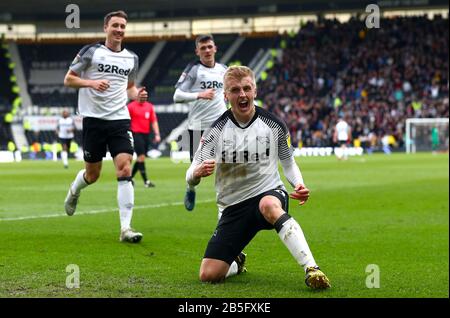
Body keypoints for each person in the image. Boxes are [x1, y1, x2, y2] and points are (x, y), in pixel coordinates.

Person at [186, 66, 330, 289]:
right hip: (232, 206)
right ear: (226, 96)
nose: (242, 94)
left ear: (255, 90)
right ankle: (237, 260)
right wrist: (196, 174)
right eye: (235, 90)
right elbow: (190, 175)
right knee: (209, 275)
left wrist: (299, 184)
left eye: (246, 88)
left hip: (268, 192)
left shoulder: (274, 125)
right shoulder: (215, 131)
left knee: (269, 205)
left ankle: (312, 268)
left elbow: (288, 162)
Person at [63, 10, 147, 243]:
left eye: (122, 26)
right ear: (105, 28)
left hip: (120, 120)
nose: (119, 30)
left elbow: (129, 88)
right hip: (93, 121)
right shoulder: (91, 52)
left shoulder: (132, 58)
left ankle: (126, 228)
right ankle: (75, 190)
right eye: (115, 26)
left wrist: (137, 95)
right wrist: (91, 82)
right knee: (93, 174)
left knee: (125, 168)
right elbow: (69, 79)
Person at [173, 34, 227, 211]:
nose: (207, 50)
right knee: (195, 174)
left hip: (221, 126)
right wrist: (199, 94)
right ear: (197, 51)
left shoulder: (224, 70)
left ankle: (225, 210)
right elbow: (177, 96)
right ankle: (190, 188)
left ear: (215, 48)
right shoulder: (194, 70)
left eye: (210, 47)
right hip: (197, 128)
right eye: (203, 48)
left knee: (225, 169)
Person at [127, 98, 160, 187]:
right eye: (141, 94)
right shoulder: (130, 106)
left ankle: (130, 178)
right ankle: (146, 181)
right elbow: (126, 119)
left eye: (145, 95)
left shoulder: (149, 106)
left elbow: (154, 121)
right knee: (141, 157)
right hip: (136, 134)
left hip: (146, 134)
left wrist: (157, 134)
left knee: (141, 158)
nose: (143, 96)